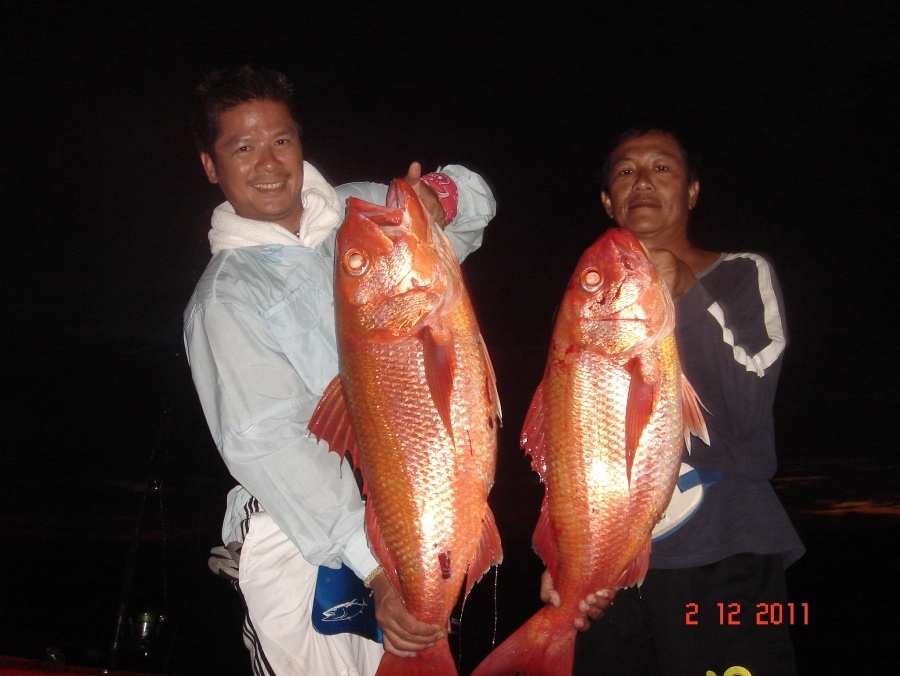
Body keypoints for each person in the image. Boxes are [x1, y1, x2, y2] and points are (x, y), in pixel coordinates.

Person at [182, 64, 497, 676]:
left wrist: (444, 196)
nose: (269, 163)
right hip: (304, 536)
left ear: (301, 142)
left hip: (413, 507)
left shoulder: (368, 216)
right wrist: (378, 567)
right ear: (210, 166)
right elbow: (271, 442)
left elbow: (476, 202)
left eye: (281, 140)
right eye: (242, 148)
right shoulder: (225, 299)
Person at [569, 127, 805, 675]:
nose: (643, 181)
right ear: (608, 200)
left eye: (662, 168)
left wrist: (686, 296)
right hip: (610, 569)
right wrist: (565, 558)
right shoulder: (590, 294)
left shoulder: (743, 273)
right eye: (625, 171)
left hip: (728, 558)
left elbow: (749, 410)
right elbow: (574, 432)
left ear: (693, 191)